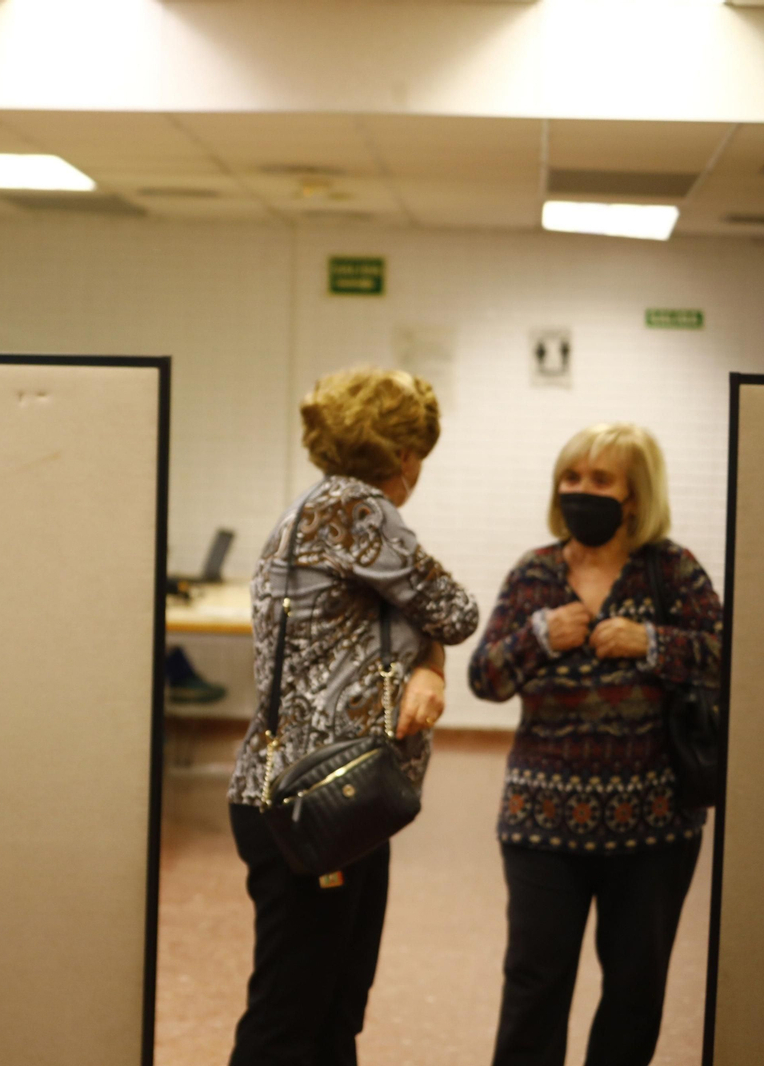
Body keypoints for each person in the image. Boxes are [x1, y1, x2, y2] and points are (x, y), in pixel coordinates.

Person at [225, 366, 479, 1066]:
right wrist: (432, 655)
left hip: (345, 799)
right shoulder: (356, 510)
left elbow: (420, 620)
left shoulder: (318, 508)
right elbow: (455, 611)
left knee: (333, 1012)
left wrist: (427, 662)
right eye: (418, 452)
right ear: (403, 454)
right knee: (290, 1021)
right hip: (315, 802)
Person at [468, 422, 720, 1066]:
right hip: (541, 821)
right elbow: (484, 679)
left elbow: (730, 661)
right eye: (571, 476)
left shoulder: (672, 570)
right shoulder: (534, 572)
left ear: (635, 497)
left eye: (601, 480)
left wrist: (652, 643)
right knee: (534, 987)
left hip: (655, 827)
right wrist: (538, 637)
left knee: (635, 991)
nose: (580, 490)